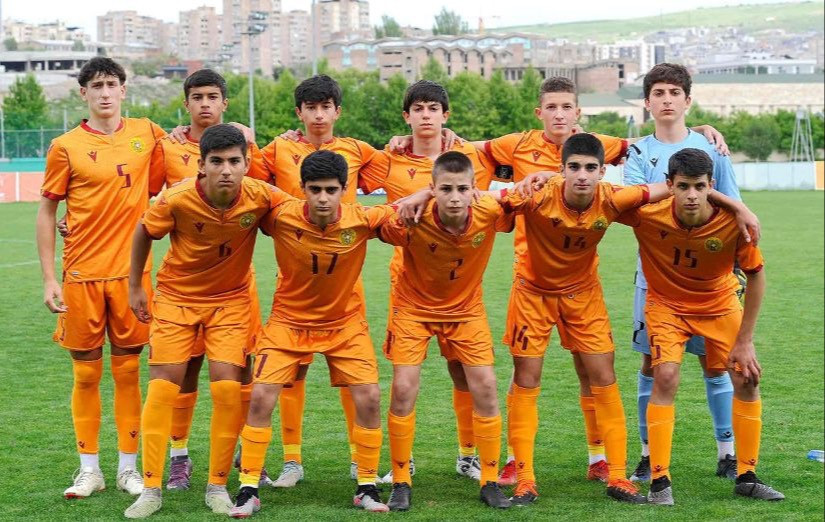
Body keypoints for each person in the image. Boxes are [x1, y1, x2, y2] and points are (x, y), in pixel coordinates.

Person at [123, 124, 290, 518]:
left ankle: (217, 486)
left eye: (234, 161)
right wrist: (135, 286)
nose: (226, 170)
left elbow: (303, 212)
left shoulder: (261, 195)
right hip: (177, 299)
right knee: (162, 388)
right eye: (217, 161)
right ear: (201, 165)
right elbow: (144, 231)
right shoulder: (177, 198)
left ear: (247, 164)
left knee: (228, 390)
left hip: (230, 302)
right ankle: (151, 490)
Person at [230, 150, 402, 517]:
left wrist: (429, 193)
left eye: (331, 190)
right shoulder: (279, 215)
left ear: (344, 189)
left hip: (344, 325)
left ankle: (367, 486)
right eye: (315, 190)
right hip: (288, 323)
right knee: (261, 397)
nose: (323, 198)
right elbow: (243, 190)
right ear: (303, 188)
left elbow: (401, 208)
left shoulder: (363, 218)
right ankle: (248, 488)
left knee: (370, 397)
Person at [618, 148, 783, 505]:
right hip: (666, 306)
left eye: (699, 186)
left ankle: (747, 475)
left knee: (746, 377)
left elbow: (756, 277)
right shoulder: (646, 214)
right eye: (683, 186)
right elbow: (605, 199)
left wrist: (745, 341)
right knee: (665, 375)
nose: (691, 195)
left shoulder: (733, 223)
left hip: (719, 303)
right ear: (669, 185)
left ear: (711, 185)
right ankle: (659, 480)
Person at [36, 56, 165, 499]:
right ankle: (89, 469)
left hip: (131, 278)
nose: (105, 92)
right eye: (96, 86)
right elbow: (47, 211)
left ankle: (128, 469)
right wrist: (49, 278)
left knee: (128, 373)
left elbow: (191, 147)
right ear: (83, 94)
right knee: (86, 376)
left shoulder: (148, 133)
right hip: (81, 276)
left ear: (124, 90)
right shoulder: (65, 146)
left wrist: (241, 132)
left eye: (112, 84)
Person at [358, 80, 496, 483]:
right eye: (418, 109)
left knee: (463, 371)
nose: (426, 115)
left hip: (459, 286)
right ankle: (404, 462)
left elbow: (496, 182)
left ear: (445, 115)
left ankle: (468, 454)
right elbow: (349, 175)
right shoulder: (389, 158)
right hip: (409, 284)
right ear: (407, 116)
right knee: (405, 380)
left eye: (433, 109)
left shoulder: (468, 155)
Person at [623, 62, 745, 483]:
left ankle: (728, 453)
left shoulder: (711, 147)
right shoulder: (637, 153)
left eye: (675, 93)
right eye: (659, 93)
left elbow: (732, 204)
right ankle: (647, 455)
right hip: (655, 278)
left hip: (710, 279)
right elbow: (636, 202)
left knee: (717, 365)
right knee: (653, 366)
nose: (667, 100)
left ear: (688, 100)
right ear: (647, 102)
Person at [256, 75, 378, 486]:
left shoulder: (359, 151)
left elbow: (406, 166)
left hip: (344, 281)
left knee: (352, 376)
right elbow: (238, 167)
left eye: (326, 107)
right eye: (311, 107)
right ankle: (292, 461)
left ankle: (358, 460)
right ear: (299, 112)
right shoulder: (278, 149)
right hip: (294, 281)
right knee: (291, 373)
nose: (319, 115)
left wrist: (412, 140)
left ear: (338, 111)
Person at [152, 68, 270, 490]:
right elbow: (143, 200)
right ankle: (179, 456)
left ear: (225, 103)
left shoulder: (245, 143)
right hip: (185, 283)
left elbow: (269, 192)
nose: (205, 104)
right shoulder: (166, 147)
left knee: (241, 368)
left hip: (236, 283)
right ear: (186, 103)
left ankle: (243, 453)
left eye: (213, 97)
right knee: (185, 368)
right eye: (197, 97)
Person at [377, 151, 512, 510]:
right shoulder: (412, 216)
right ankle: (401, 480)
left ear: (475, 189)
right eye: (445, 189)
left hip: (466, 311)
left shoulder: (490, 211)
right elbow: (372, 221)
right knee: (403, 387)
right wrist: (413, 199)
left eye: (462, 189)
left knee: (485, 385)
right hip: (413, 309)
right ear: (433, 188)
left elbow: (531, 194)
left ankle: (489, 480)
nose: (454, 197)